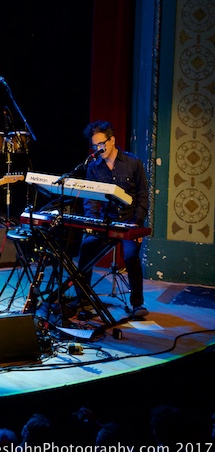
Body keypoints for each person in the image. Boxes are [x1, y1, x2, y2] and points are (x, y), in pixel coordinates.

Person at [76, 121, 150, 318]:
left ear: (112, 140)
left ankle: (137, 304)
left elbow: (143, 196)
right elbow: (90, 197)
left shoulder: (133, 163)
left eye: (102, 144)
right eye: (95, 145)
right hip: (106, 222)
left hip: (129, 222)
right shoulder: (93, 167)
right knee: (86, 248)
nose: (99, 149)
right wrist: (92, 222)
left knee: (132, 257)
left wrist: (137, 223)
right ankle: (83, 299)